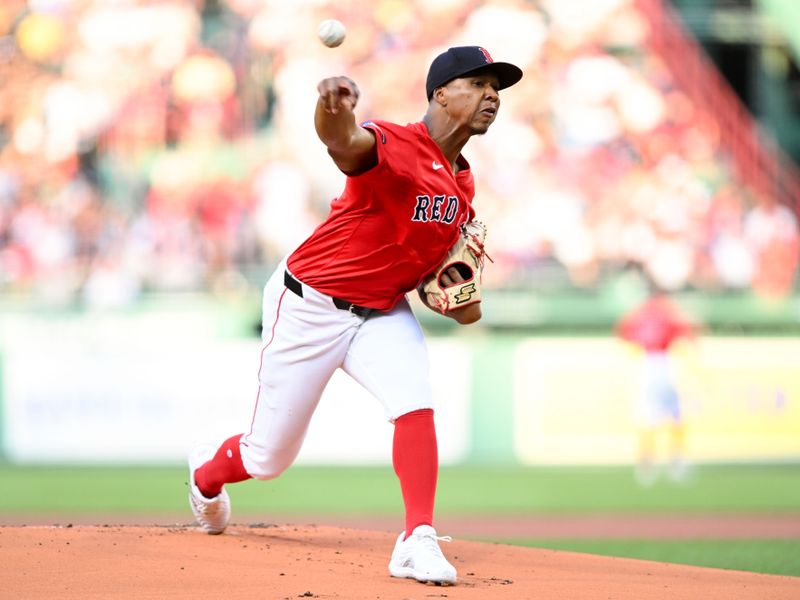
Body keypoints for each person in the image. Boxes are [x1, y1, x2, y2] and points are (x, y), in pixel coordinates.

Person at [187, 46, 522, 585]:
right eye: (478, 83)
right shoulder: (393, 143)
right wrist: (333, 107)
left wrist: (461, 299)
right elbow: (343, 141)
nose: (491, 95)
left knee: (415, 401)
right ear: (439, 93)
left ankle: (418, 538)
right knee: (268, 457)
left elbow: (462, 310)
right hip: (310, 305)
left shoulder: (463, 184)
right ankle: (205, 476)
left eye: (496, 88)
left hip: (380, 312)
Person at [616, 283, 698, 485]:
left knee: (651, 417)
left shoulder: (637, 313)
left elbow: (623, 337)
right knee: (673, 416)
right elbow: (689, 337)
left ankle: (648, 464)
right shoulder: (670, 312)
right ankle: (675, 463)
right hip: (664, 363)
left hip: (647, 363)